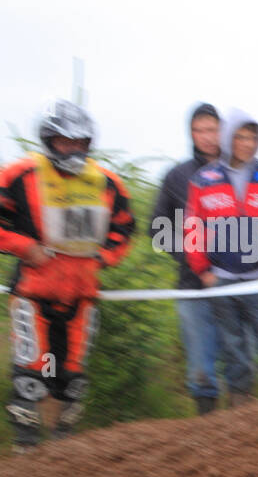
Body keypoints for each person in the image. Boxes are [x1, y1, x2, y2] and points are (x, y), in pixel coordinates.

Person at [1, 100, 135, 449]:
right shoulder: (20, 174)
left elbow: (124, 228)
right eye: (64, 141)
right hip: (34, 291)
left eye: (79, 142)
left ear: (88, 143)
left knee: (72, 382)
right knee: (31, 378)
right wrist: (23, 246)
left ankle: (65, 458)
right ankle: (26, 453)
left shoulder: (107, 183)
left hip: (82, 295)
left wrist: (104, 258)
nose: (72, 148)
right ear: (49, 140)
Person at [185, 109, 258, 403]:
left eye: (253, 137)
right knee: (232, 348)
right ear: (228, 138)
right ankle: (241, 409)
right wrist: (203, 272)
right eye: (240, 136)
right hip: (222, 281)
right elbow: (192, 227)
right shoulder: (204, 178)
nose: (247, 143)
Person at [152, 103, 223, 414]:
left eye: (212, 129)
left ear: (222, 131)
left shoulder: (238, 172)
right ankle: (208, 432)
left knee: (242, 359)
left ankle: (248, 435)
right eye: (200, 130)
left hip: (240, 283)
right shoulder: (176, 176)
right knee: (201, 366)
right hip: (192, 284)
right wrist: (190, 258)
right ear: (191, 134)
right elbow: (157, 228)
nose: (206, 137)